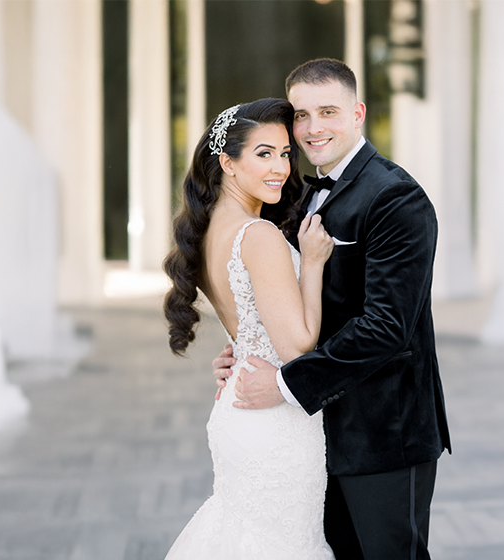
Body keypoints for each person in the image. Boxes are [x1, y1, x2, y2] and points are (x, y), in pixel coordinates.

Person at [212, 58, 451, 559]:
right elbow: (281, 297)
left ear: (358, 113)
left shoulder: (395, 197)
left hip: (383, 432)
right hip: (315, 437)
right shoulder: (294, 196)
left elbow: (387, 327)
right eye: (301, 115)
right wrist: (246, 347)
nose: (313, 128)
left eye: (328, 112)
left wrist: (283, 382)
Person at [162, 98, 335, 559]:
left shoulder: (206, 235)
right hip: (275, 422)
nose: (280, 167)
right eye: (264, 154)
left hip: (239, 407)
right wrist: (313, 264)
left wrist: (235, 349)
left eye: (284, 154)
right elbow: (298, 347)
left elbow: (247, 319)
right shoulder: (259, 236)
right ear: (228, 163)